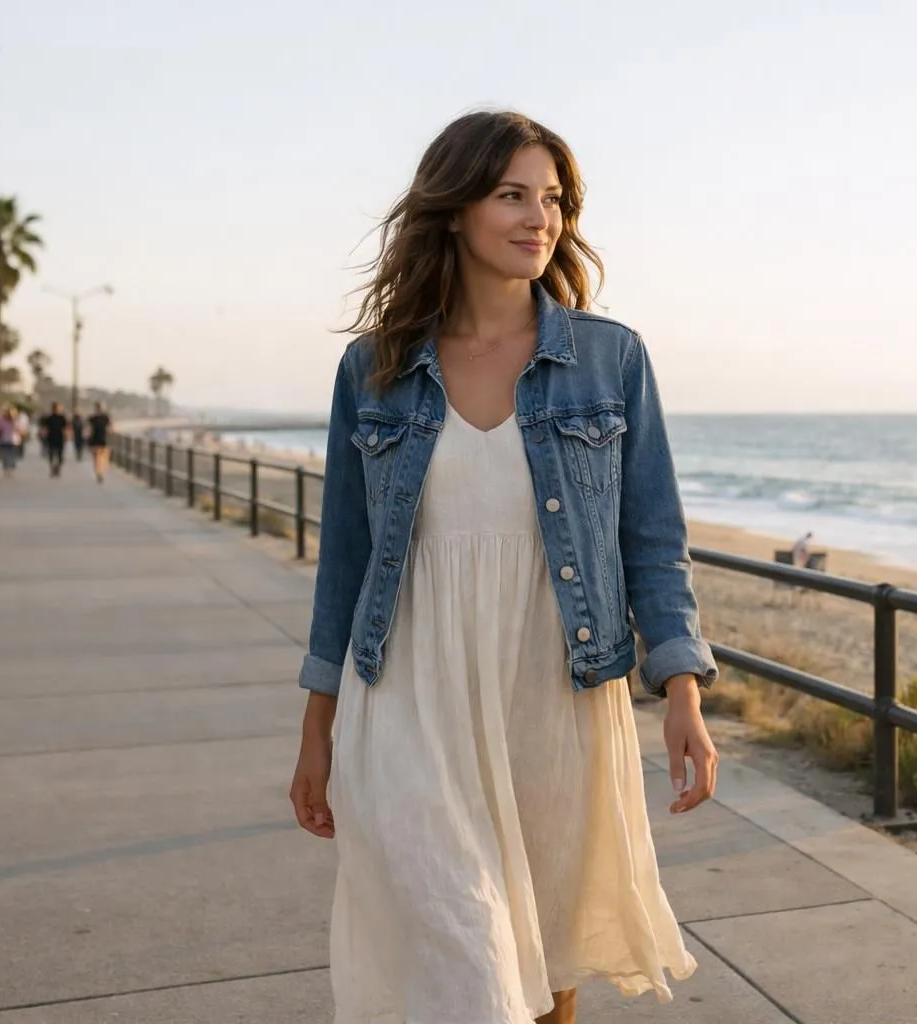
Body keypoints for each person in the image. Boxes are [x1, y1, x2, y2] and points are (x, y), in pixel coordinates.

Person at [290, 111, 718, 1024]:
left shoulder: (609, 360)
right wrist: (317, 726)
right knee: (459, 951)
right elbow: (347, 563)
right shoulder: (375, 369)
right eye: (512, 195)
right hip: (407, 693)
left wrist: (680, 686)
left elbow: (650, 537)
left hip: (553, 693)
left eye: (553, 199)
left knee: (545, 954)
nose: (540, 218)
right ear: (453, 211)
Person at [40, 402, 69, 477]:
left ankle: (57, 468)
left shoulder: (62, 417)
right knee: (51, 454)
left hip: (60, 438)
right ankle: (52, 468)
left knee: (60, 455)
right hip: (51, 438)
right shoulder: (49, 418)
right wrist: (43, 434)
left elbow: (65, 428)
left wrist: (67, 435)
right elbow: (45, 428)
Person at [87, 402, 112, 483]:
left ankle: (98, 471)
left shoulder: (92, 418)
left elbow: (89, 429)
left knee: (96, 458)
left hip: (94, 440)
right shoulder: (106, 417)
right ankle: (101, 472)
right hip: (103, 439)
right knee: (103, 457)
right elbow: (110, 429)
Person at [0, 407, 21, 478]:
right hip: (12, 440)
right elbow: (19, 430)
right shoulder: (15, 421)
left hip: (6, 440)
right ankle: (10, 469)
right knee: (11, 456)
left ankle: (7, 469)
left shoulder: (2, 421)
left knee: (6, 456)